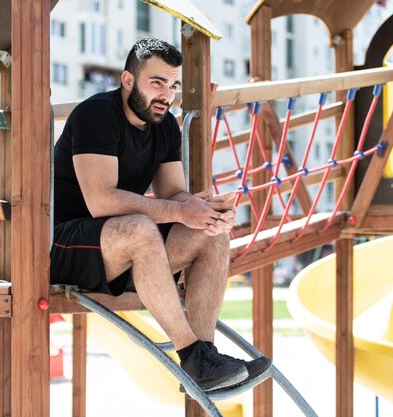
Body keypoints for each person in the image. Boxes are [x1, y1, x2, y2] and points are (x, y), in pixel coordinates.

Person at [50, 37, 271, 393]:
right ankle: (192, 356)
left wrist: (205, 211)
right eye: (157, 82)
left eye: (173, 85)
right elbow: (100, 202)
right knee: (140, 227)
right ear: (128, 81)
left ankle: (207, 360)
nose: (167, 94)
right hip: (66, 244)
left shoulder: (165, 125)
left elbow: (172, 195)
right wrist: (181, 210)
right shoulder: (97, 114)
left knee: (212, 232)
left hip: (124, 248)